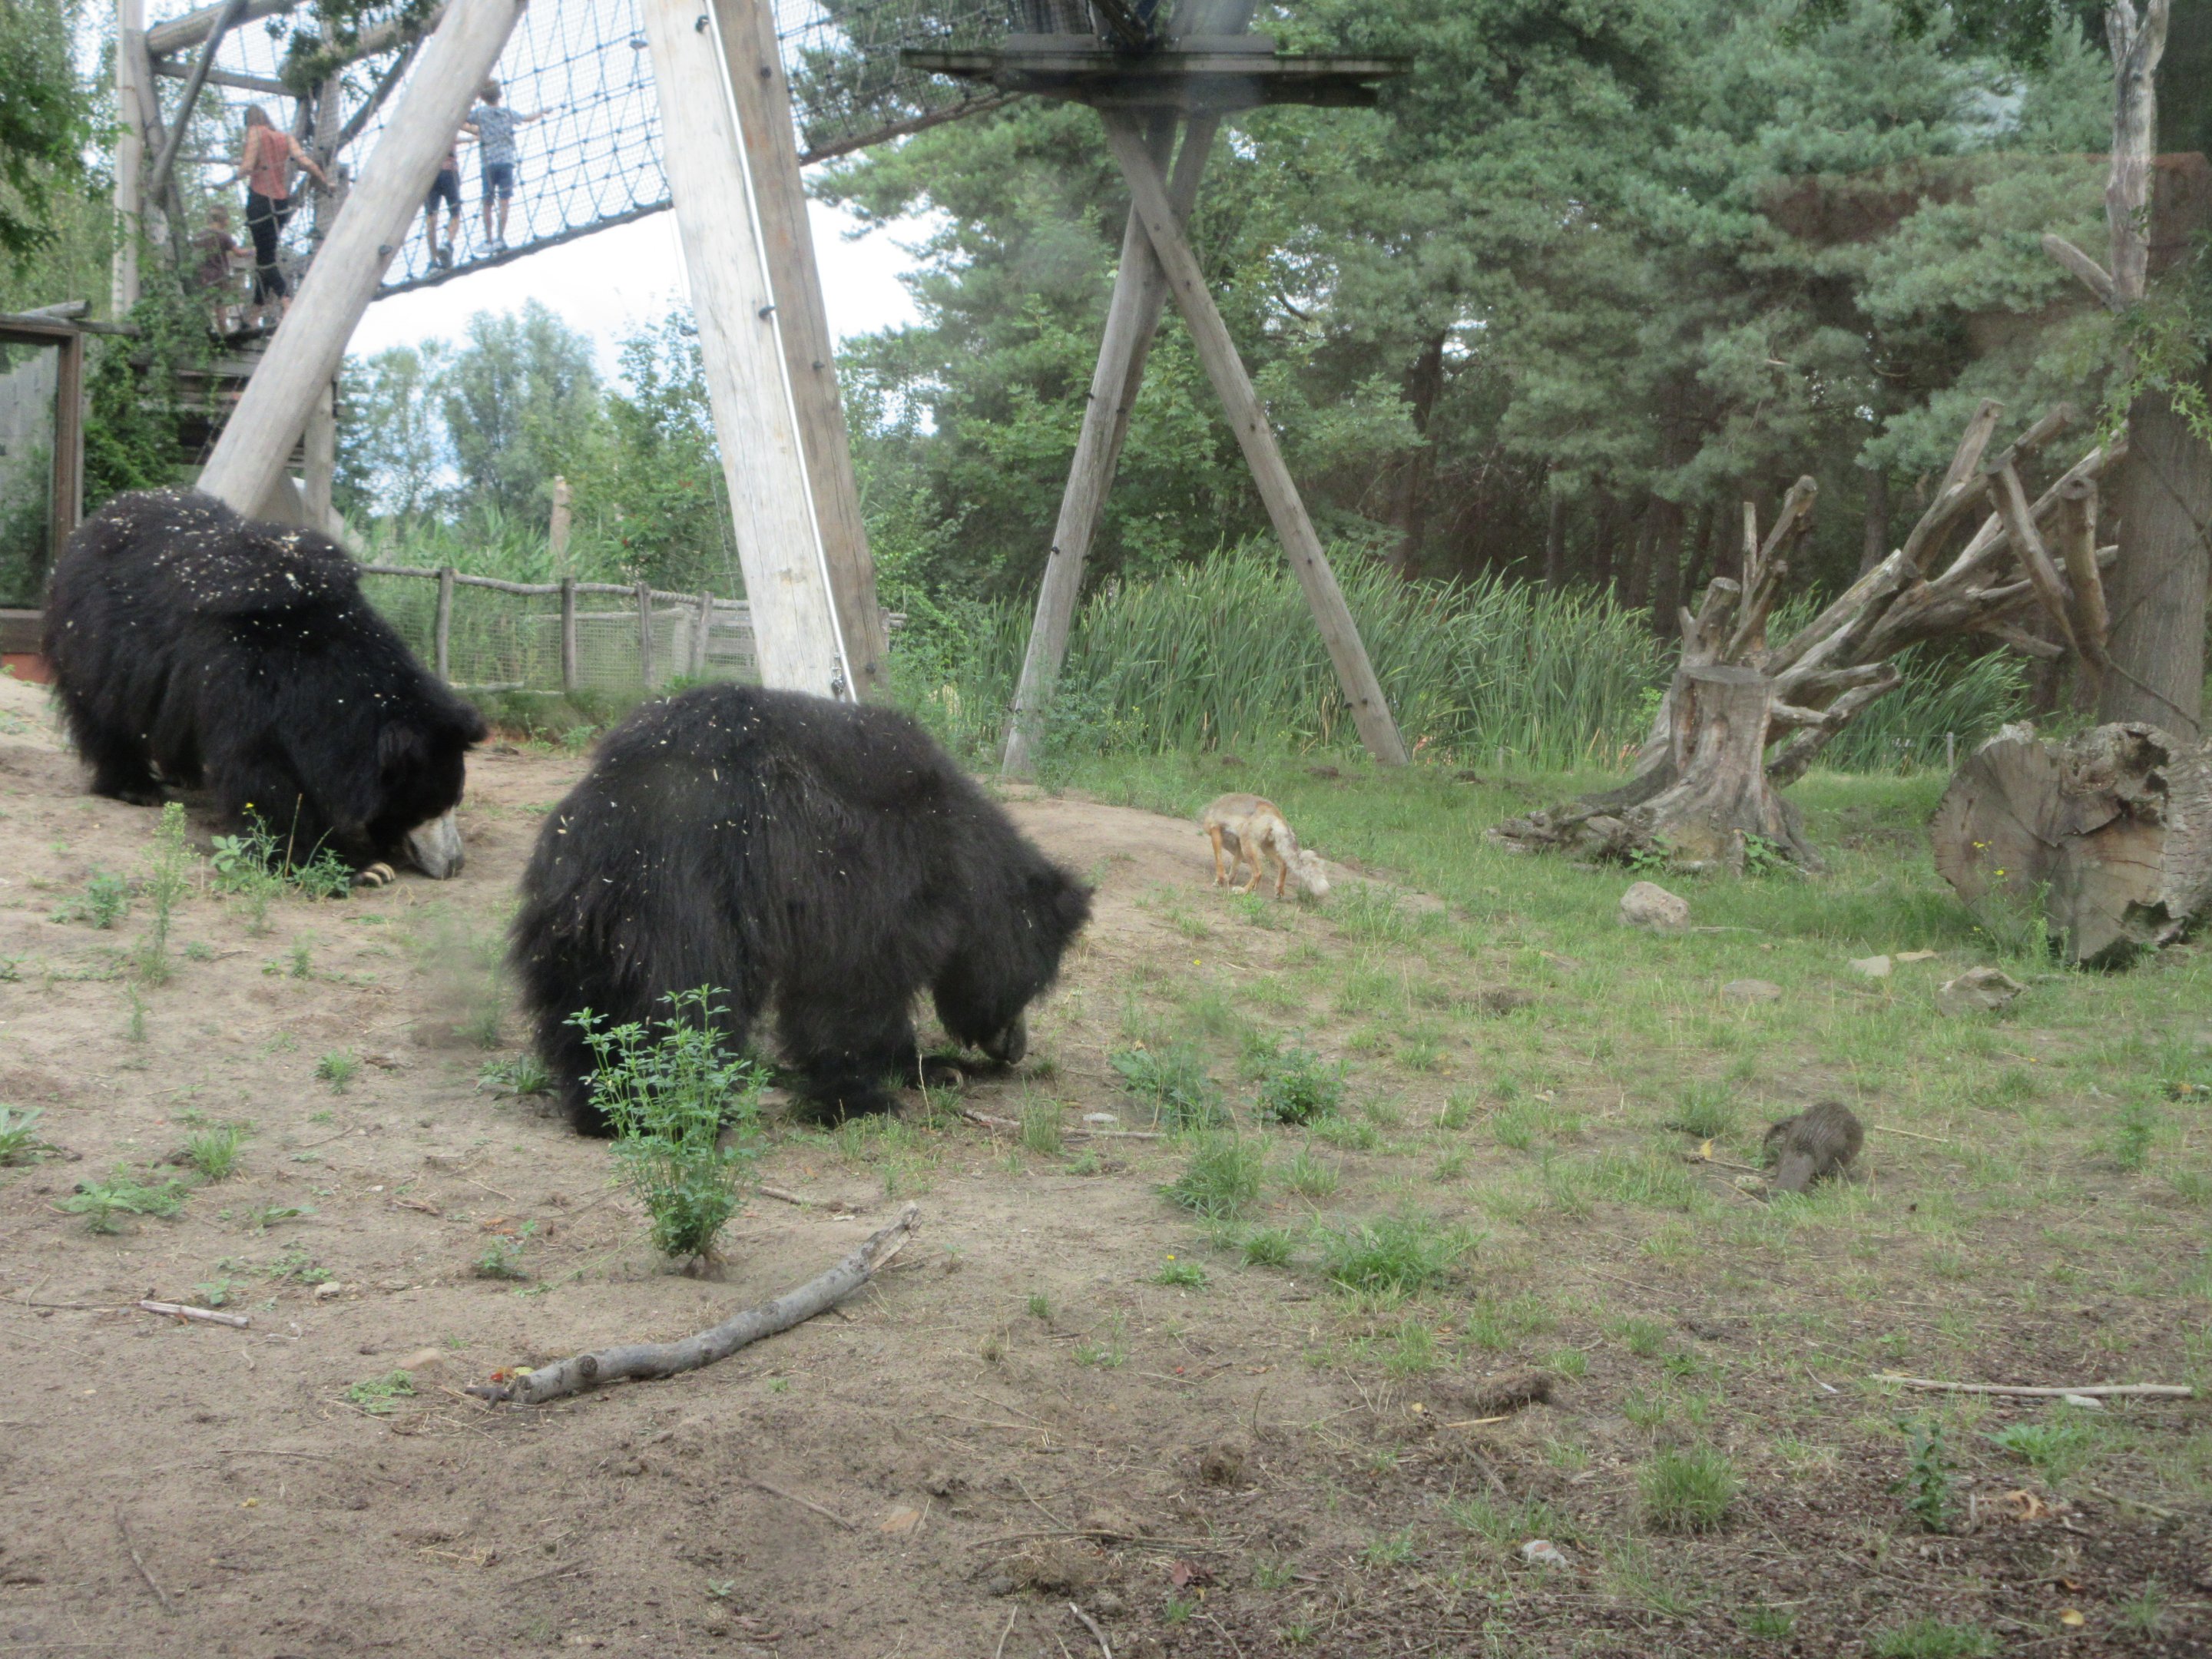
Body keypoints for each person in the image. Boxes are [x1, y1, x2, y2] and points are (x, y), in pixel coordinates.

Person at [230, 106, 330, 327]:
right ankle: (255, 314)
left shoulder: (255, 132)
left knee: (265, 260)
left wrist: (228, 182)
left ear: (249, 121)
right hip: (280, 203)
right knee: (265, 256)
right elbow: (304, 162)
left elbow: (247, 166)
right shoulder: (286, 138)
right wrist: (324, 180)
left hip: (260, 200)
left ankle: (286, 301)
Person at [464, 81, 548, 253]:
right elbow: (528, 118)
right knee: (504, 202)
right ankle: (500, 239)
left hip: (488, 163)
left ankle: (489, 240)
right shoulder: (507, 113)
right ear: (500, 95)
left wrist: (472, 101)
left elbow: (463, 119)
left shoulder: (480, 113)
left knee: (487, 203)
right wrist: (543, 111)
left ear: (482, 97)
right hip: (506, 162)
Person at [190, 204, 247, 333]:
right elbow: (239, 253)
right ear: (223, 219)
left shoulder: (199, 236)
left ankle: (205, 331)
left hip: (203, 276)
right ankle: (223, 333)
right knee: (220, 307)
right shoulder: (223, 236)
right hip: (220, 276)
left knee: (205, 305)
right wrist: (253, 251)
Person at [422, 131, 469, 268]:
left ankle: (433, 260)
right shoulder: (448, 127)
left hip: (431, 175)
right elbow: (459, 136)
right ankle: (448, 244)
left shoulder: (425, 131)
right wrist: (472, 138)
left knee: (431, 218)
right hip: (449, 172)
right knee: (455, 214)